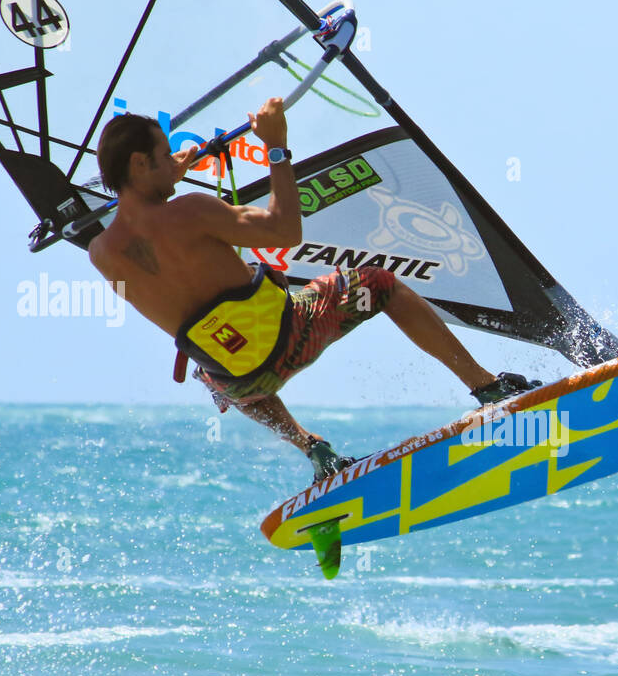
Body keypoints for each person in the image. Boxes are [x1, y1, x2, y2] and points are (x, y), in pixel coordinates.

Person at [87, 97, 540, 480]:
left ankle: (313, 449)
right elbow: (285, 231)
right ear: (139, 163)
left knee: (219, 365)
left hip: (242, 384)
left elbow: (161, 247)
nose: (175, 161)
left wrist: (162, 182)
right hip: (292, 339)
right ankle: (487, 389)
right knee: (380, 284)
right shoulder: (190, 211)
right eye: (165, 155)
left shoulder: (103, 253)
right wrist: (277, 148)